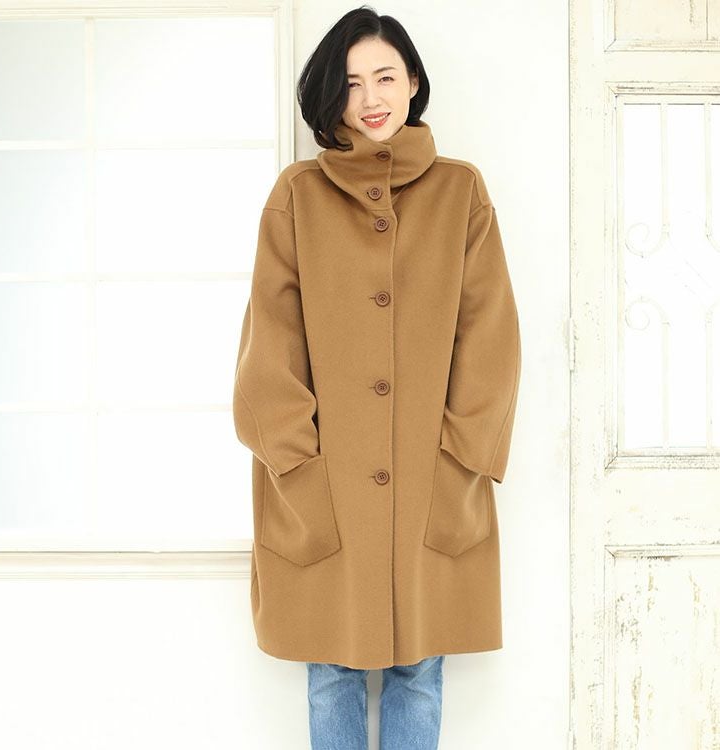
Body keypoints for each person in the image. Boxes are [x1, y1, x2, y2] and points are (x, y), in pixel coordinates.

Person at [233, 6, 521, 749]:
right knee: (330, 667)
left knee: (419, 667)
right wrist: (297, 463)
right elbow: (269, 348)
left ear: (413, 82)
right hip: (322, 484)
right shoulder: (297, 195)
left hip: (432, 479)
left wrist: (460, 457)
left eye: (385, 77)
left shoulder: (461, 192)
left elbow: (490, 340)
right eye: (352, 82)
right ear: (332, 95)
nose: (370, 98)